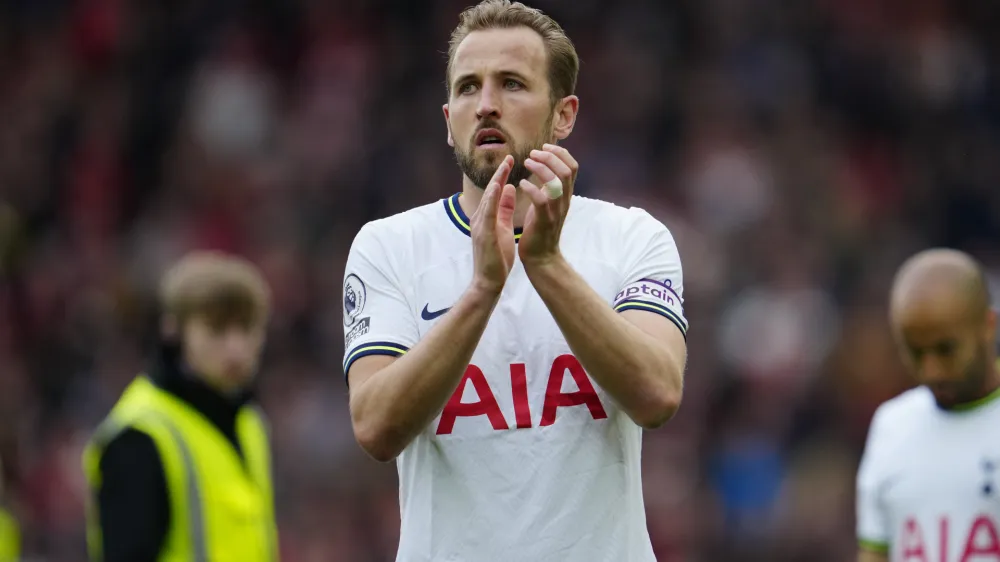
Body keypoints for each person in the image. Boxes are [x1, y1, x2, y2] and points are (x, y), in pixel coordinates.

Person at [342, 1, 688, 560]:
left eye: (511, 84)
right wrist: (482, 291)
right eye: (468, 87)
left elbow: (657, 394)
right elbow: (376, 426)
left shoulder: (632, 238)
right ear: (447, 116)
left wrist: (546, 266)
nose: (486, 106)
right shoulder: (389, 247)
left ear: (564, 114)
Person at [82, 251, 278, 562]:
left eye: (246, 328)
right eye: (216, 330)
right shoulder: (140, 435)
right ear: (173, 331)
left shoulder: (249, 423)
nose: (236, 348)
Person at [856, 248, 1000, 562]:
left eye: (945, 349)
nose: (931, 370)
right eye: (915, 352)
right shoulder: (891, 426)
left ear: (988, 326)